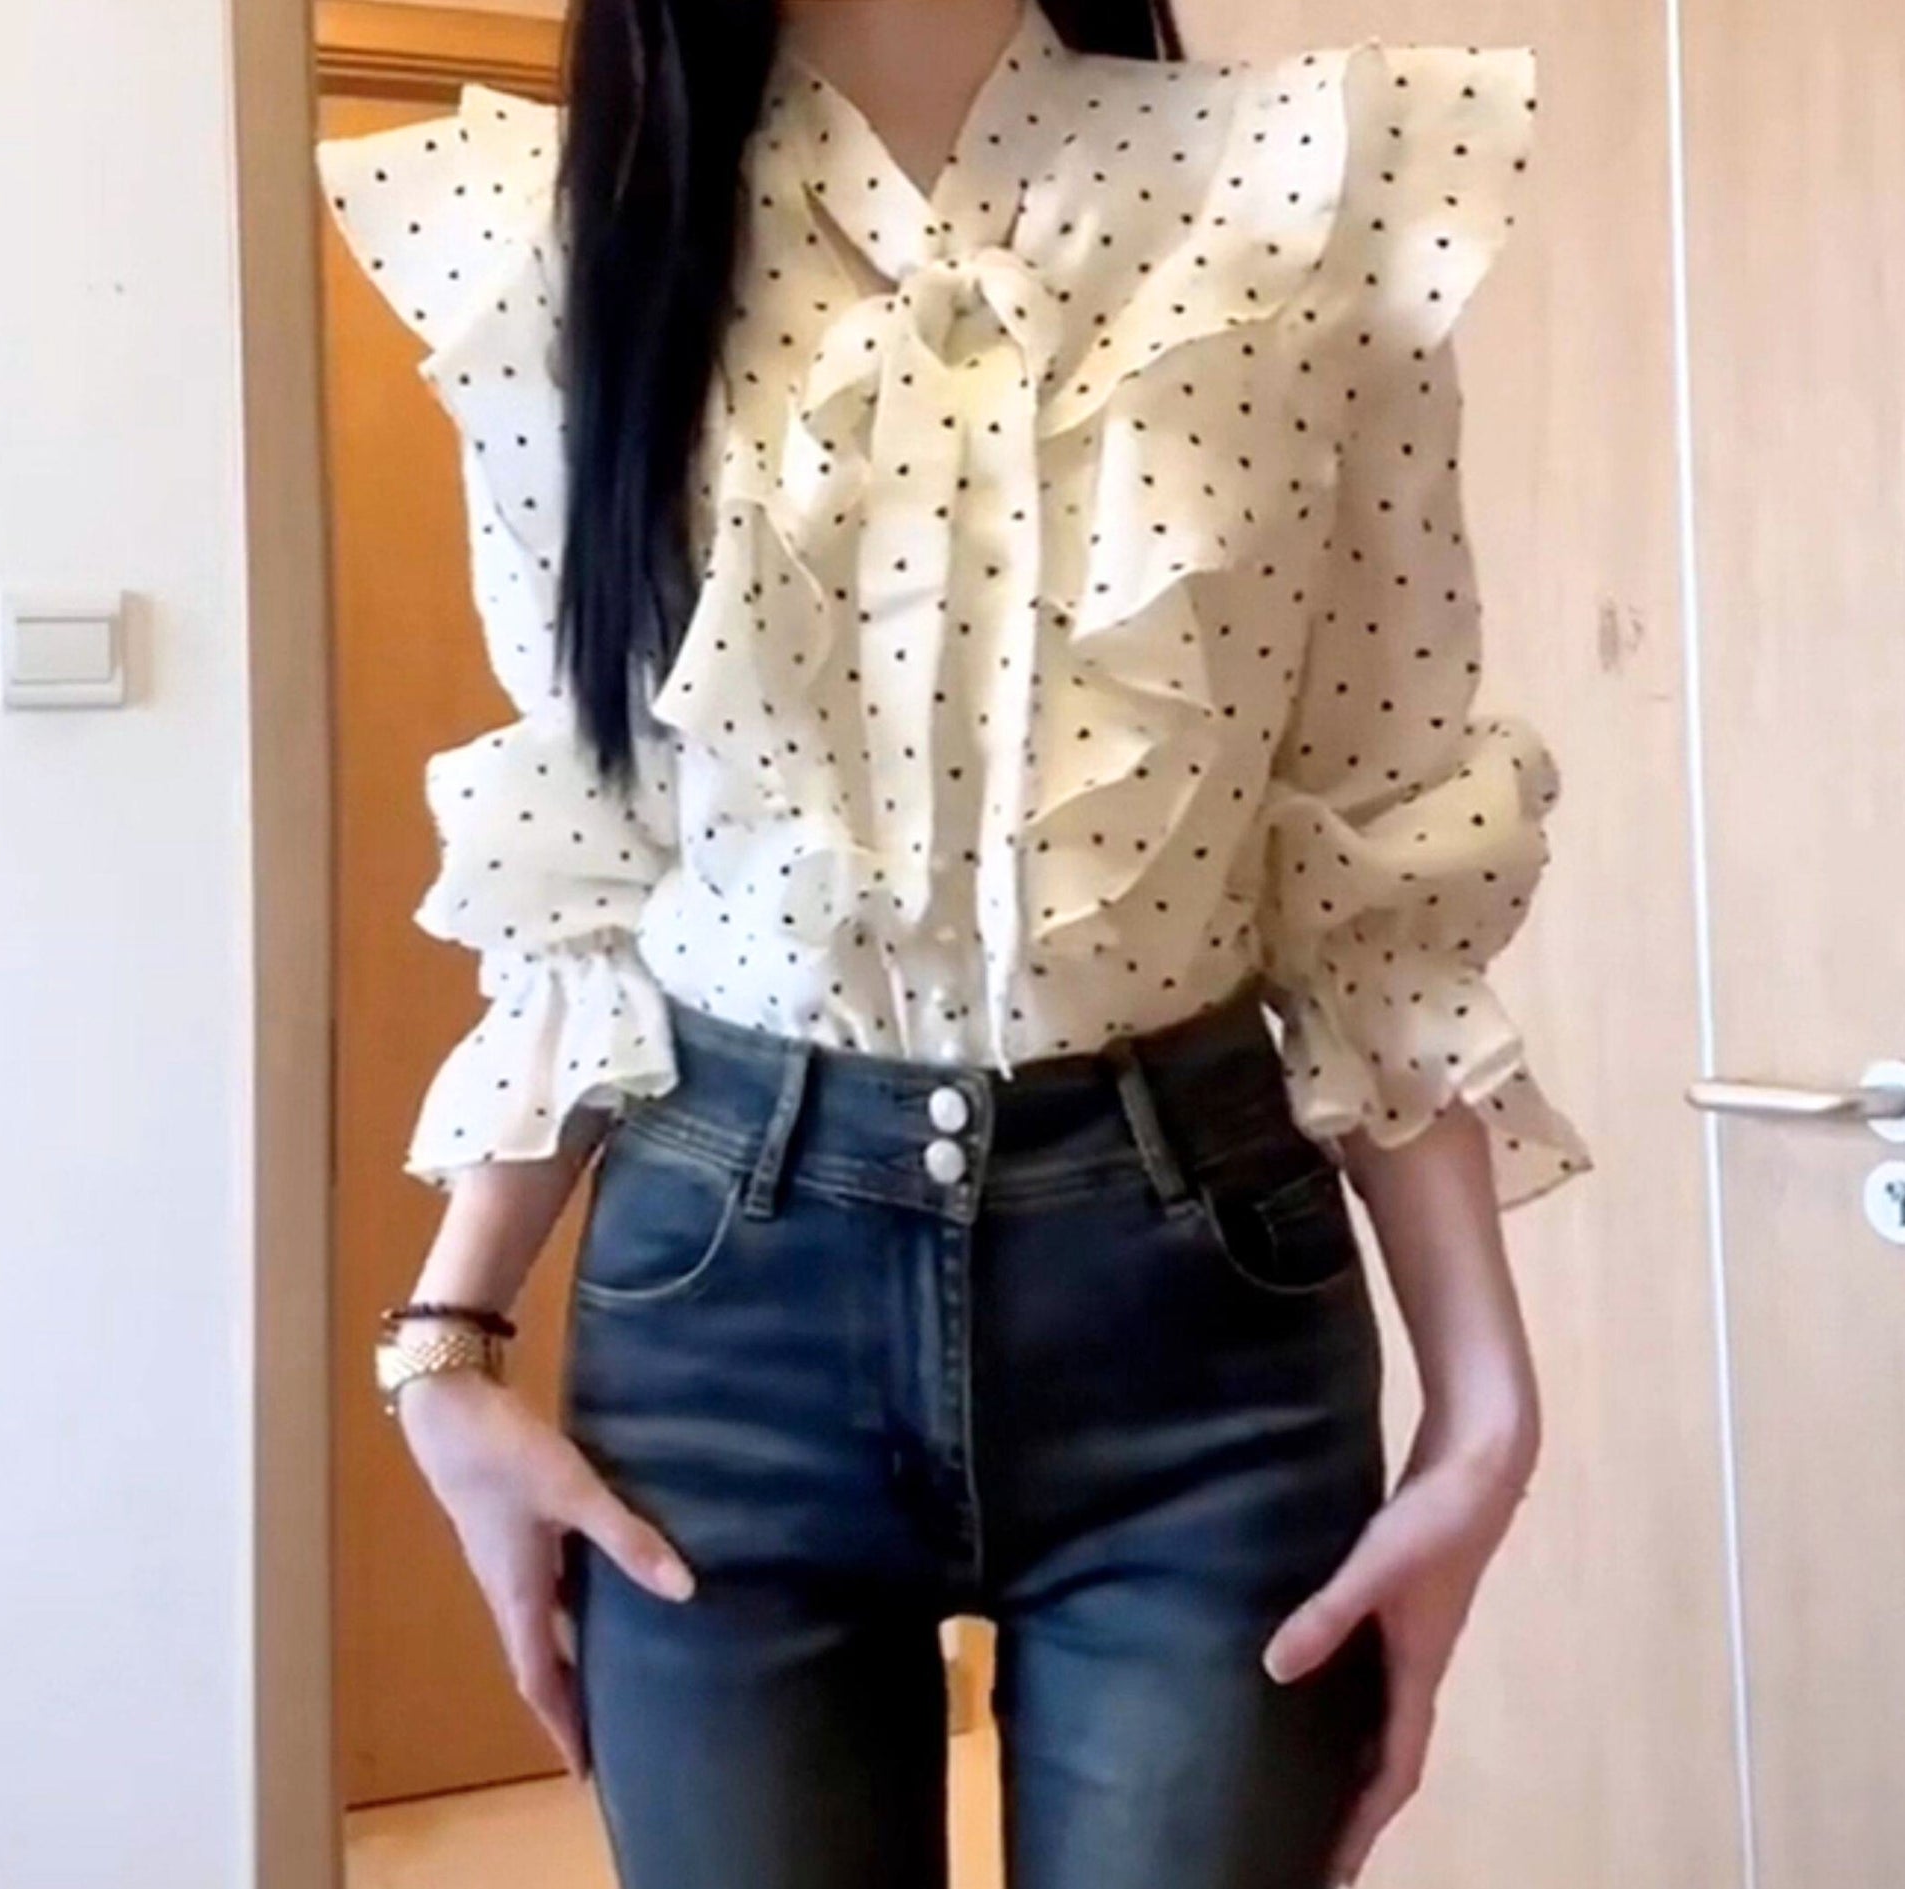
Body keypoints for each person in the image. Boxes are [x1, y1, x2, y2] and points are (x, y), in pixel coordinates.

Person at [319, 1, 1592, 1883]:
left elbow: (1369, 850)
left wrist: (1484, 1411)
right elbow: (590, 864)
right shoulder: (562, 235)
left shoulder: (1301, 195)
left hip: (1197, 1329)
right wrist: (444, 1348)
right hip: (721, 1331)